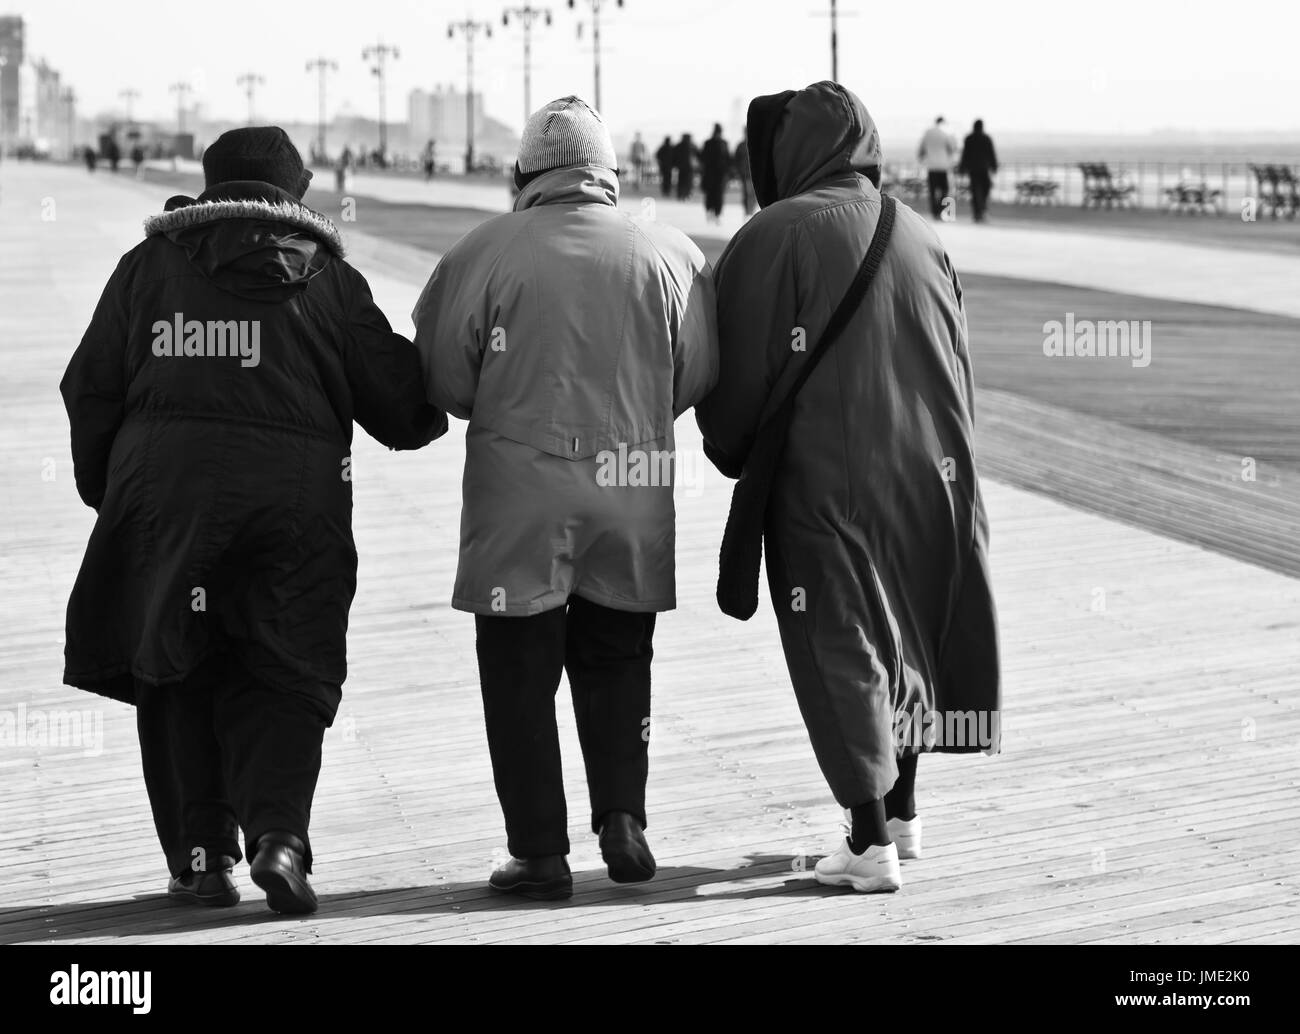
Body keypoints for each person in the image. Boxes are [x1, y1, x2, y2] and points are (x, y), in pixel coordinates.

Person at [60, 126, 446, 916]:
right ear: (295, 192)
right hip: (294, 503)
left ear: (209, 189)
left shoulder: (147, 268)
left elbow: (89, 387)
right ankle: (279, 840)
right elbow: (403, 410)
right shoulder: (328, 279)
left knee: (175, 662)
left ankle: (203, 865)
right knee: (288, 663)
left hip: (165, 500)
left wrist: (115, 494)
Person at [697, 82, 1000, 894]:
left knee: (841, 641)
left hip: (829, 472)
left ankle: (867, 842)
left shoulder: (774, 234)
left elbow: (738, 376)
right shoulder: (921, 231)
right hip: (934, 467)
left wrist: (726, 446)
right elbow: (957, 356)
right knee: (905, 634)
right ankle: (901, 813)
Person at [412, 97, 718, 902]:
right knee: (619, 659)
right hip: (632, 490)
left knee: (518, 675)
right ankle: (622, 816)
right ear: (612, 177)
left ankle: (539, 851)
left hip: (520, 498)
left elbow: (442, 377)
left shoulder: (483, 252)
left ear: (524, 176)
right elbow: (693, 375)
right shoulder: (670, 253)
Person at [958, 119, 998, 223]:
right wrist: (994, 166)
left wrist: (962, 167)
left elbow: (965, 154)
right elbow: (991, 153)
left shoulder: (969, 138)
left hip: (973, 169)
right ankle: (982, 210)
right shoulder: (986, 138)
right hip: (983, 168)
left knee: (975, 190)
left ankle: (977, 212)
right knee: (985, 188)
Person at [917, 115, 957, 219]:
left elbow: (921, 149)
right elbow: (952, 148)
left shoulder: (928, 133)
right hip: (943, 167)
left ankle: (934, 211)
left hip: (931, 167)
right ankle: (940, 210)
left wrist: (921, 158)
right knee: (944, 190)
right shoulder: (946, 133)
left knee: (932, 190)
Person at [700, 123, 730, 223]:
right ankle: (716, 214)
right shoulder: (724, 143)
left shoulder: (708, 143)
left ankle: (712, 213)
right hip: (719, 174)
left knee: (711, 194)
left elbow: (702, 157)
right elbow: (728, 159)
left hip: (711, 173)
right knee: (717, 195)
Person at [734, 131, 753, 217]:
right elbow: (736, 159)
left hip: (750, 173)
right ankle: (747, 210)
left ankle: (750, 209)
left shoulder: (751, 144)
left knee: (751, 193)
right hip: (745, 173)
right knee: (747, 192)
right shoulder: (741, 145)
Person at [673, 133, 698, 201]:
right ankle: (687, 194)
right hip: (690, 167)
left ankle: (681, 194)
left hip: (681, 166)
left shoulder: (679, 145)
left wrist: (675, 164)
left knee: (682, 180)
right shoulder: (692, 145)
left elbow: (673, 155)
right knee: (688, 181)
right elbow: (698, 155)